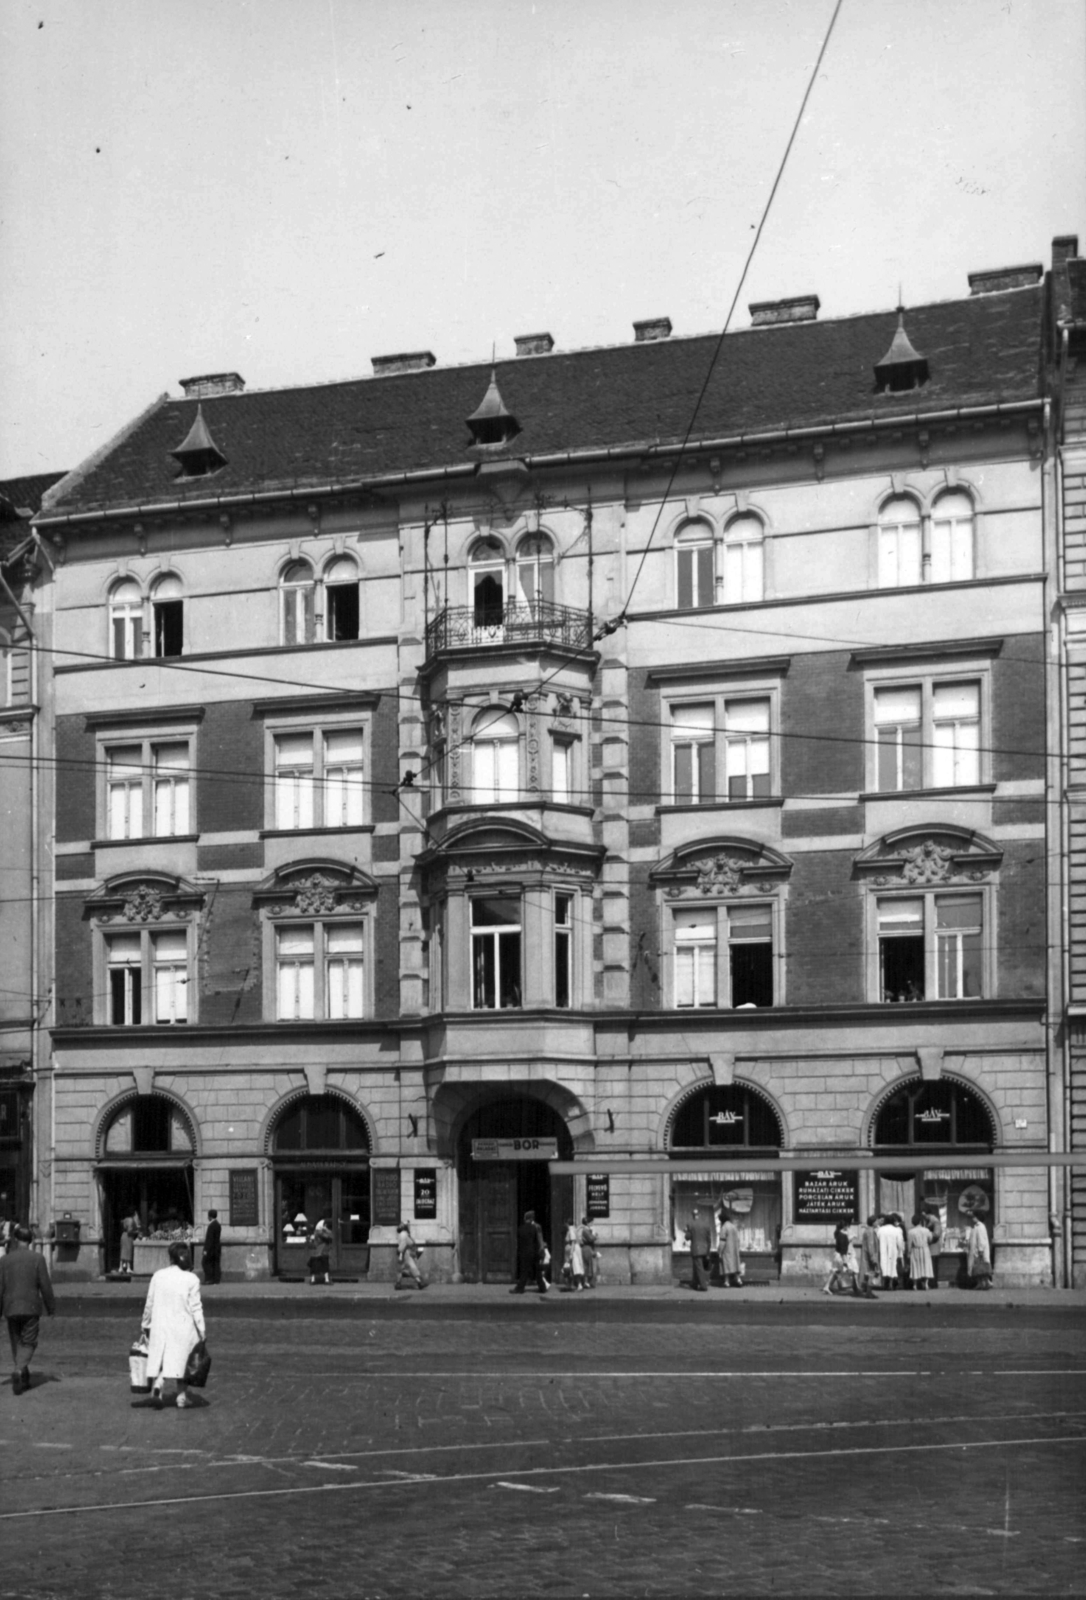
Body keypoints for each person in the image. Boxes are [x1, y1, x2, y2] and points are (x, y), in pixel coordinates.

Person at [140, 1240, 204, 1409]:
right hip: (184, 1326)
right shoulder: (192, 1279)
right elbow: (196, 1307)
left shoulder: (158, 1276)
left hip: (161, 1325)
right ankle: (181, 1396)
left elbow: (149, 1303)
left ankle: (158, 1386)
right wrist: (202, 1330)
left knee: (164, 1359)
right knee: (183, 1361)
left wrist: (145, 1324)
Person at [0, 1224, 56, 1395]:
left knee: (17, 1341)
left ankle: (23, 1375)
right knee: (29, 1341)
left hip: (10, 1307)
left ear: (16, 1240)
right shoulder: (38, 1258)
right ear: (30, 1241)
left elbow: (0, 1287)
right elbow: (45, 1286)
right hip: (31, 1306)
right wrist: (50, 1307)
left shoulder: (5, 1260)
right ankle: (19, 1370)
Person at [511, 1209, 549, 1294]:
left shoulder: (521, 1229)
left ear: (525, 1219)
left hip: (525, 1253)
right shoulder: (535, 1228)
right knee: (538, 1272)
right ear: (531, 1219)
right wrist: (540, 1251)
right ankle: (542, 1288)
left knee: (524, 1272)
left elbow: (519, 1242)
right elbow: (538, 1240)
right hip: (534, 1253)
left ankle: (520, 1288)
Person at [823, 1217, 859, 1297]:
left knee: (837, 1271)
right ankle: (855, 1288)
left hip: (838, 1255)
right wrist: (845, 1262)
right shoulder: (843, 1235)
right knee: (849, 1270)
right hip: (842, 1255)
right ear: (846, 1225)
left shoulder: (839, 1233)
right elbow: (843, 1250)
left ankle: (827, 1286)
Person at [685, 1206, 712, 1291]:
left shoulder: (690, 1224)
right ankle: (694, 1283)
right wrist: (708, 1251)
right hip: (705, 1248)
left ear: (693, 1215)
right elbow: (709, 1239)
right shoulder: (706, 1224)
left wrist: (686, 1231)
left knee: (699, 1268)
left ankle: (703, 1286)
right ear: (699, 1214)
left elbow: (687, 1237)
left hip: (696, 1249)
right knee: (697, 1266)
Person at [395, 1221, 427, 1290]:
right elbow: (409, 1243)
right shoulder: (405, 1234)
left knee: (400, 1269)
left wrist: (399, 1252)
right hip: (405, 1253)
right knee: (412, 1267)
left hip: (402, 1253)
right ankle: (419, 1283)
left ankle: (398, 1284)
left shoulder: (400, 1234)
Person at [964, 1212, 993, 1289]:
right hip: (977, 1251)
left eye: (974, 1216)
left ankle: (984, 1283)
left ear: (978, 1217)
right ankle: (982, 1283)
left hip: (979, 1251)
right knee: (978, 1268)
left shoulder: (980, 1226)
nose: (972, 1218)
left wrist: (980, 1250)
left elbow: (981, 1239)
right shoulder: (977, 1226)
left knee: (980, 1267)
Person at [907, 1212, 934, 1290]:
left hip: (915, 1249)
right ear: (920, 1221)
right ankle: (926, 1284)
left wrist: (908, 1253)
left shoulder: (910, 1232)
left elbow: (909, 1244)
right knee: (926, 1265)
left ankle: (915, 1285)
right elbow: (930, 1240)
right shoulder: (926, 1230)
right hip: (925, 1249)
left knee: (915, 1266)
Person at [717, 1210, 742, 1288]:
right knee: (735, 1265)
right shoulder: (733, 1226)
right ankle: (738, 1280)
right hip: (734, 1250)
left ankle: (727, 1282)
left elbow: (722, 1241)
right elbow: (738, 1240)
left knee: (726, 1266)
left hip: (727, 1250)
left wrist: (719, 1251)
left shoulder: (724, 1227)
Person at [878, 1212, 903, 1289]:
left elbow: (878, 1239)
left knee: (884, 1265)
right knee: (892, 1265)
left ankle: (885, 1282)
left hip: (883, 1250)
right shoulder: (897, 1230)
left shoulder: (880, 1229)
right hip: (893, 1250)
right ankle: (891, 1283)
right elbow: (900, 1242)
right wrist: (900, 1252)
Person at [859, 1214, 881, 1298]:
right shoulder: (871, 1231)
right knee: (870, 1274)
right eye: (876, 1221)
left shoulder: (867, 1231)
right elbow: (870, 1246)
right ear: (873, 1222)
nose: (878, 1222)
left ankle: (868, 1291)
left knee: (868, 1275)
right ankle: (869, 1292)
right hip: (869, 1257)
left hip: (866, 1256)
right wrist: (873, 1258)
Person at [308, 1218, 333, 1285]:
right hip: (320, 1252)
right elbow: (329, 1237)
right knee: (323, 1266)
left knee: (317, 1267)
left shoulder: (318, 1232)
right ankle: (325, 1280)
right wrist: (326, 1230)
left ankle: (315, 1280)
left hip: (319, 1252)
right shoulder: (319, 1232)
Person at [201, 1210, 222, 1286]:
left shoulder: (211, 1225)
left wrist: (206, 1250)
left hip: (211, 1249)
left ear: (210, 1216)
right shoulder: (218, 1224)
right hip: (217, 1248)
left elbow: (209, 1239)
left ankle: (209, 1279)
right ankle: (216, 1280)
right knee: (215, 1264)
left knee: (205, 1263)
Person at [563, 1219, 585, 1290]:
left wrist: (571, 1253)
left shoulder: (571, 1230)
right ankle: (574, 1284)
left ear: (567, 1224)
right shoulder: (574, 1229)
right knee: (574, 1267)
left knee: (575, 1266)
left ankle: (578, 1284)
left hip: (574, 1249)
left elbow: (573, 1241)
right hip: (576, 1248)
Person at [579, 1217, 599, 1288]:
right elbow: (590, 1239)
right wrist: (595, 1236)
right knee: (587, 1265)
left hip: (588, 1248)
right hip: (587, 1248)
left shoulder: (587, 1230)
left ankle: (588, 1282)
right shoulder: (585, 1230)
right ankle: (586, 1282)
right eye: (591, 1223)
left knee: (588, 1265)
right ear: (587, 1223)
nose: (592, 1224)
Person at [119, 1212, 139, 1277]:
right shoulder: (131, 1220)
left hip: (123, 1235)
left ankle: (121, 1267)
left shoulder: (124, 1220)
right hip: (128, 1237)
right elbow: (129, 1231)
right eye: (136, 1214)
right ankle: (128, 1268)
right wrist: (136, 1232)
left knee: (123, 1251)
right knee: (128, 1251)